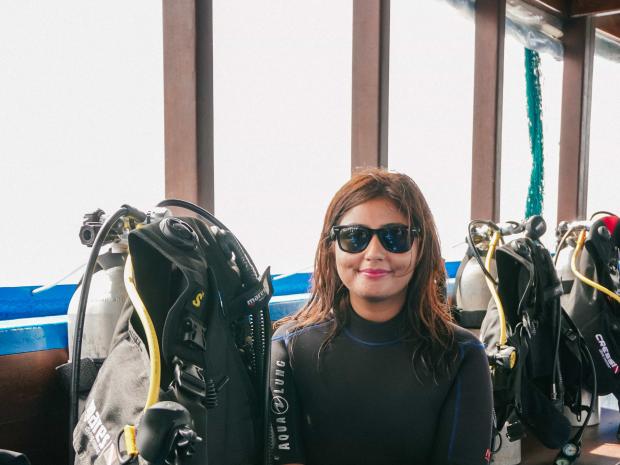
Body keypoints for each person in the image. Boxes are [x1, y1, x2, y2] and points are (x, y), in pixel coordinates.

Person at [270, 168, 493, 465]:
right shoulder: (289, 347)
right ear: (331, 248)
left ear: (420, 247)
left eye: (395, 237)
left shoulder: (461, 355)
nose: (374, 252)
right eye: (355, 237)